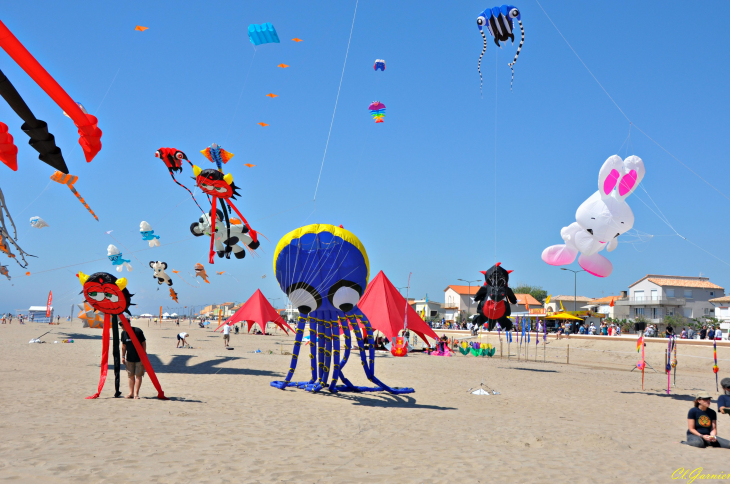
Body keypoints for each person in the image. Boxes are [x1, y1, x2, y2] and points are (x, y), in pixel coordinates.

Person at [121, 325, 147, 399]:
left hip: (139, 358)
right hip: (129, 358)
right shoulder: (123, 333)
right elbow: (123, 345)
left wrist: (143, 355)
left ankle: (136, 394)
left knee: (138, 375)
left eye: (122, 325)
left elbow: (143, 343)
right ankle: (131, 393)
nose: (122, 327)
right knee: (130, 375)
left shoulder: (138, 331)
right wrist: (123, 356)